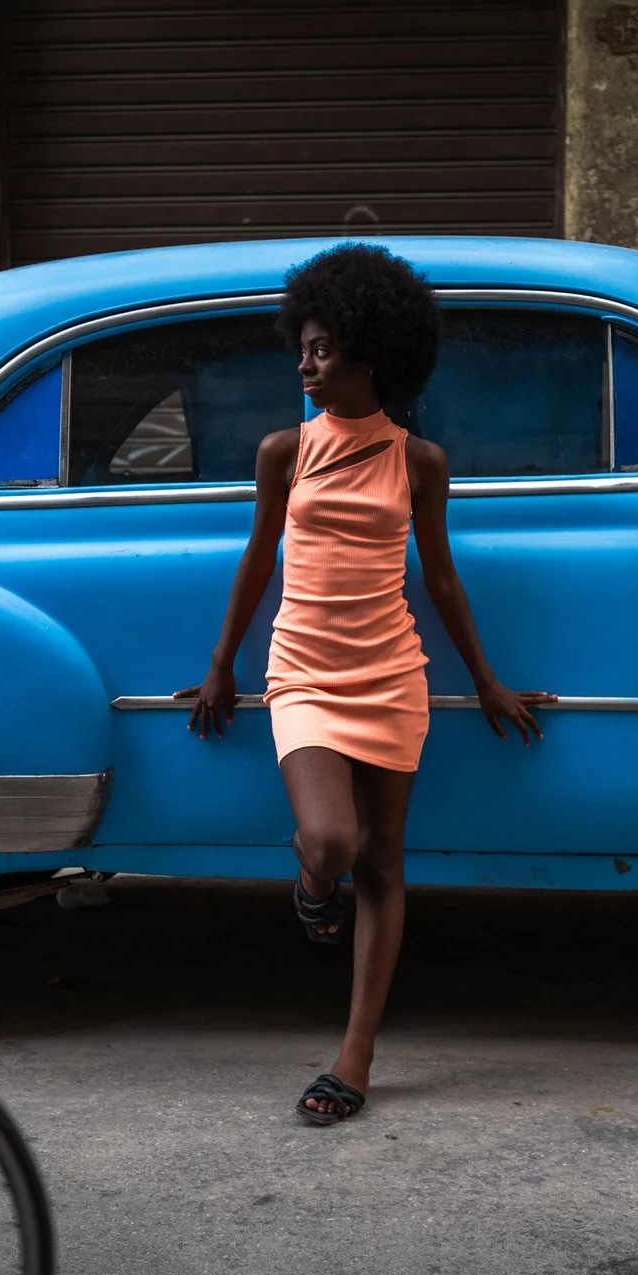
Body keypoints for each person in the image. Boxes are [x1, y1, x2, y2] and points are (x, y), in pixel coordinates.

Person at [181, 244, 548, 1126]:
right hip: (302, 667)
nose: (303, 363)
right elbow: (257, 561)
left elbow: (444, 578)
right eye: (300, 347)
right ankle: (312, 892)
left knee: (385, 864)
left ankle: (356, 1056)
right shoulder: (284, 452)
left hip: (391, 672)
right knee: (331, 840)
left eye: (319, 348)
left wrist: (487, 682)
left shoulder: (420, 461)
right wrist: (221, 662)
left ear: (369, 354)